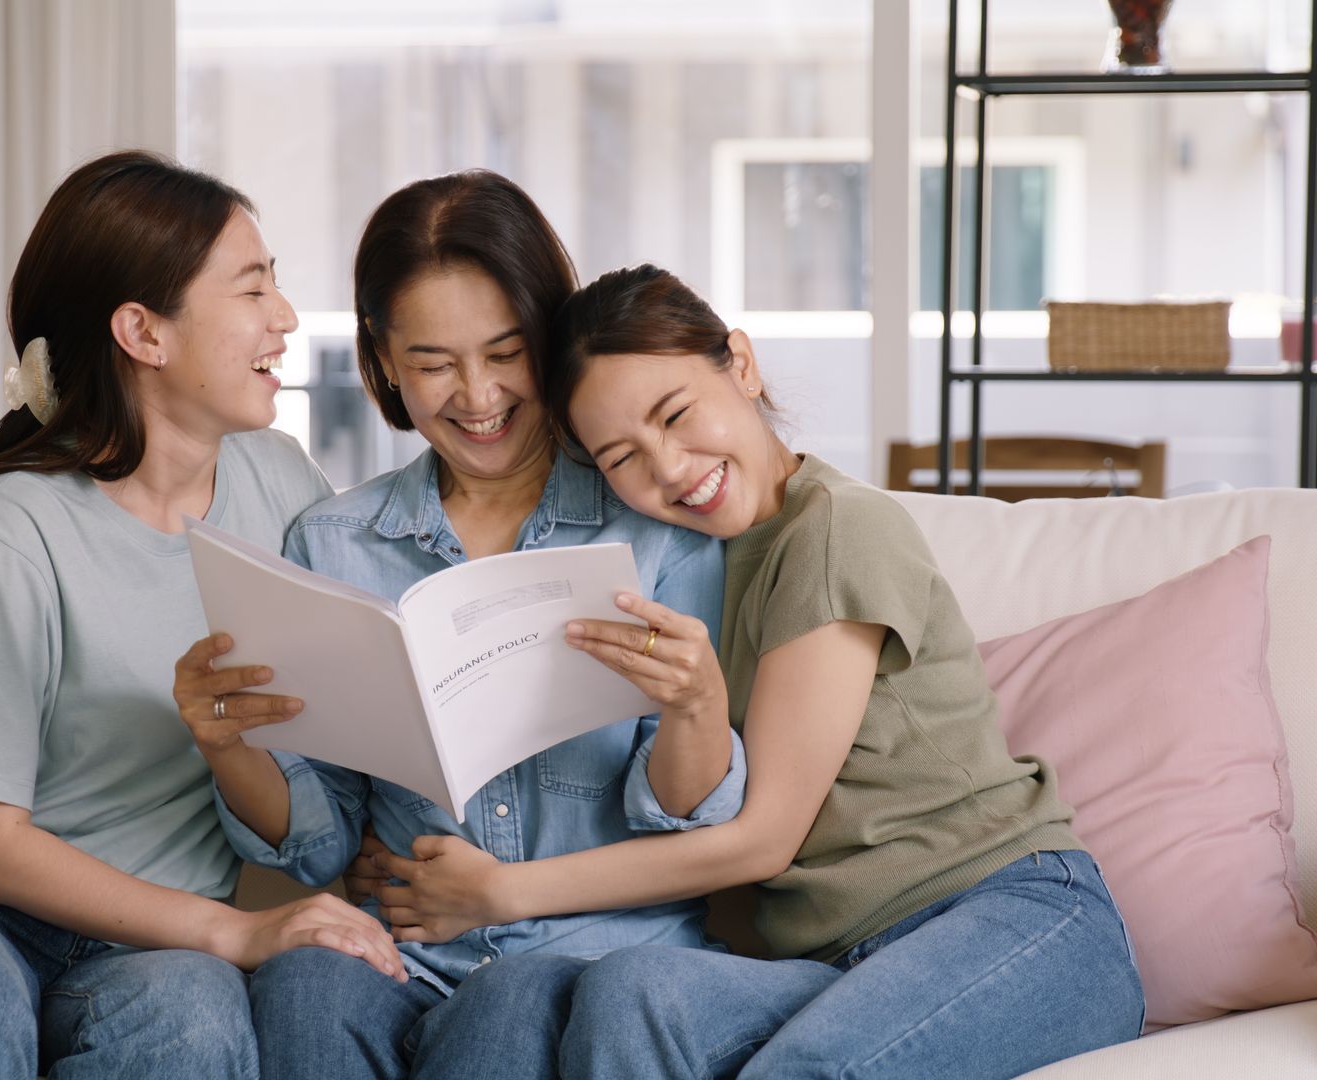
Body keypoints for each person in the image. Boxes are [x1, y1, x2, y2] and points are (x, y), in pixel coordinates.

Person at [351, 264, 1145, 1080]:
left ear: (741, 363)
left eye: (677, 414)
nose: (667, 468)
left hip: (1013, 921)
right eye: (623, 456)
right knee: (629, 993)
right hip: (840, 966)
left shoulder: (834, 532)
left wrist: (501, 892)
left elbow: (763, 839)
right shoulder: (687, 567)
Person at [0, 151, 403, 1080]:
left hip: (128, 946)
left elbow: (328, 739)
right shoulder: (12, 525)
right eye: (252, 289)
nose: (283, 318)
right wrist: (234, 931)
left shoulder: (281, 485)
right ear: (143, 333)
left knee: (195, 1021)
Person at [171, 173, 742, 1080]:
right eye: (434, 364)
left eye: (506, 352)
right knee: (304, 986)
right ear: (386, 363)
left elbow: (684, 823)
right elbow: (320, 845)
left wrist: (696, 707)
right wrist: (226, 746)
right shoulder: (332, 542)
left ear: (549, 340)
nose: (476, 396)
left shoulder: (651, 520)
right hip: (410, 953)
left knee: (510, 1005)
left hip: (589, 952)